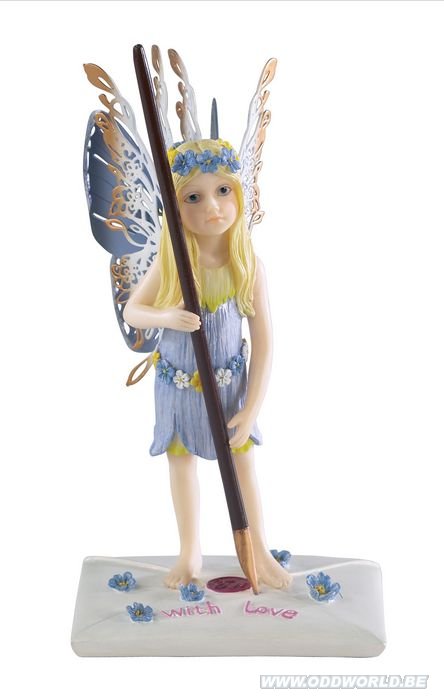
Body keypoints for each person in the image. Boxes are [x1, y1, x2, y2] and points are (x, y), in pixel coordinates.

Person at [123, 138, 291, 590]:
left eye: (223, 191)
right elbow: (133, 311)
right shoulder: (174, 264)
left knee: (242, 465)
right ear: (175, 208)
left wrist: (251, 408)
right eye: (193, 198)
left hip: (230, 389)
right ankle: (189, 551)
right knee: (181, 464)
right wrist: (166, 317)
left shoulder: (247, 266)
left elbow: (265, 343)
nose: (213, 207)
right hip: (178, 390)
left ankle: (258, 550)